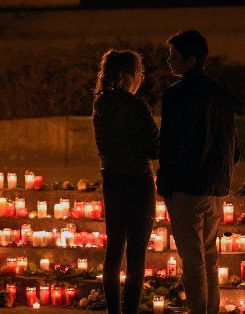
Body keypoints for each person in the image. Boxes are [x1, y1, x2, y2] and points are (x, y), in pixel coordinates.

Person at [156, 30, 240, 314]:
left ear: (190, 59)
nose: (169, 60)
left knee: (193, 259)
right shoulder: (219, 93)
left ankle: (199, 310)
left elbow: (172, 144)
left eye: (174, 55)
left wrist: (165, 183)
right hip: (215, 188)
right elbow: (233, 144)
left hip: (187, 189)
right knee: (209, 256)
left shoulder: (177, 96)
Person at [92, 49, 160, 314]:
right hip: (138, 182)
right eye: (140, 72)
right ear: (129, 75)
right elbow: (155, 148)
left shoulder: (100, 105)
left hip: (112, 180)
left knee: (113, 251)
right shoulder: (135, 106)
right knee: (136, 254)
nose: (141, 78)